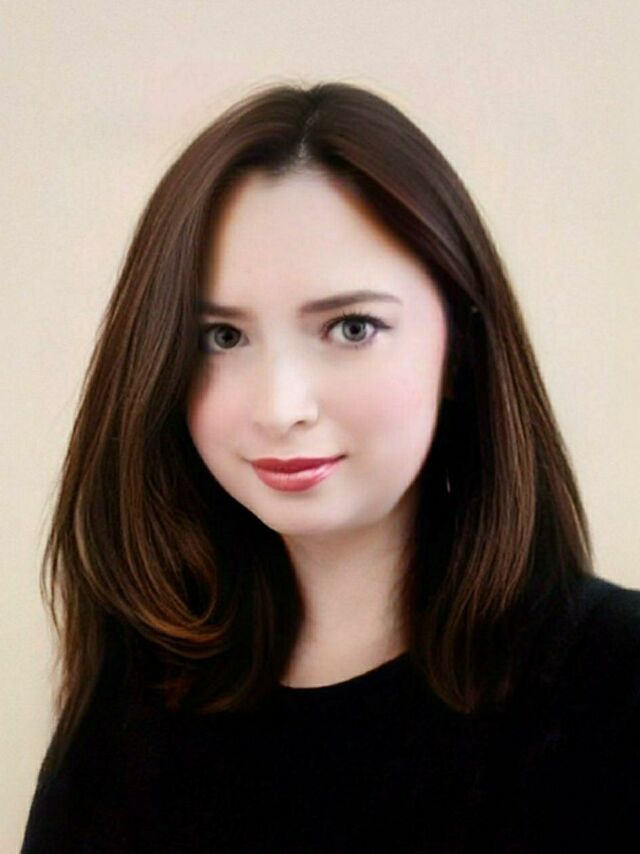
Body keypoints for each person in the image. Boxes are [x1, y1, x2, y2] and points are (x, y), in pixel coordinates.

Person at [21, 81, 639, 853]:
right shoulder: (130, 709)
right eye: (222, 338)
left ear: (460, 346)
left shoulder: (615, 684)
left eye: (351, 328)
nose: (280, 407)